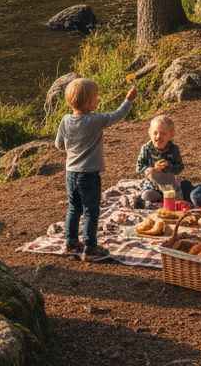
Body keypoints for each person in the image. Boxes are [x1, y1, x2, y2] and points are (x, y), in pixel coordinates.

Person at [55, 78, 138, 262]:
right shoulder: (96, 120)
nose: (97, 100)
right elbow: (118, 115)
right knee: (91, 211)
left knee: (74, 208)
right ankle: (90, 247)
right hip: (89, 175)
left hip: (70, 174)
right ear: (89, 102)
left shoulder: (65, 120)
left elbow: (59, 146)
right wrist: (129, 99)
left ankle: (70, 242)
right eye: (96, 97)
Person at [135, 115, 194, 203]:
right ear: (149, 133)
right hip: (152, 181)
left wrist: (168, 166)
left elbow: (179, 166)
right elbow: (139, 167)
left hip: (169, 181)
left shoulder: (174, 149)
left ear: (171, 135)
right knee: (146, 194)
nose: (158, 136)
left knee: (185, 186)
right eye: (155, 133)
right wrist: (152, 169)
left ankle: (168, 197)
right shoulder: (146, 148)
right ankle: (156, 196)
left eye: (163, 133)